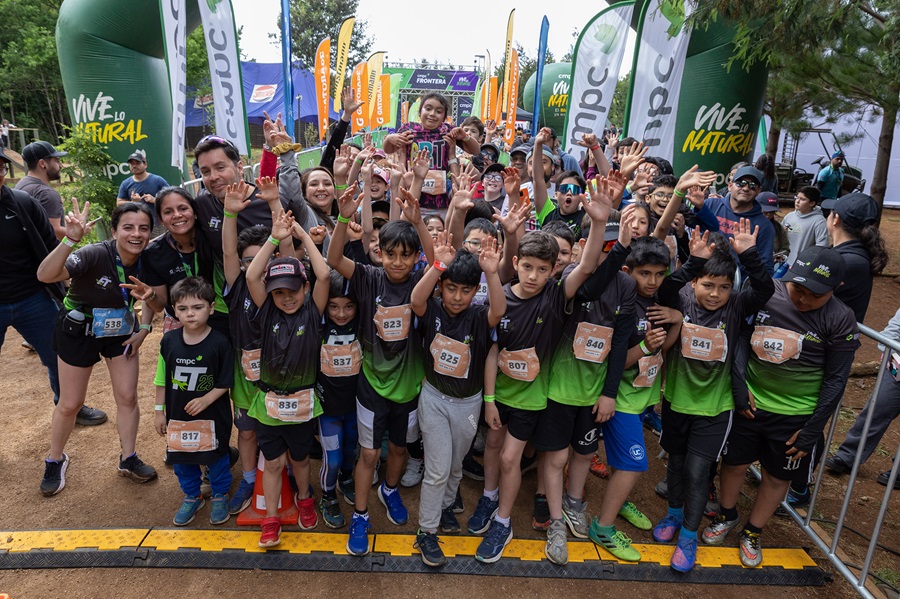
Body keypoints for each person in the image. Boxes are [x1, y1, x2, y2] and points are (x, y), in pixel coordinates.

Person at [472, 167, 615, 564]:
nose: (534, 276)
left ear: (554, 270)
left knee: (508, 458)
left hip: (534, 398)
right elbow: (491, 351)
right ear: (515, 263)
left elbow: (585, 267)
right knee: (494, 447)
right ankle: (487, 499)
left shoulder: (556, 296)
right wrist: (489, 399)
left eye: (543, 269)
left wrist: (600, 222)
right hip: (499, 393)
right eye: (527, 267)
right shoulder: (498, 298)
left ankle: (503, 521)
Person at [704, 247, 859, 567]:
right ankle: (727, 514)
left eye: (813, 296)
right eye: (797, 289)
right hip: (750, 403)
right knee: (733, 463)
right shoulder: (766, 293)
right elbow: (741, 338)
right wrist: (738, 385)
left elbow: (836, 379)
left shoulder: (840, 318)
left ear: (836, 290)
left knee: (777, 475)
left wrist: (812, 429)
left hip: (796, 415)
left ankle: (753, 531)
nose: (802, 300)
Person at [652, 220, 774, 572]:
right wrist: (691, 261)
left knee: (697, 470)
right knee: (675, 462)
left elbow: (764, 288)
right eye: (707, 284)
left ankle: (689, 535)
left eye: (722, 287)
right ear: (694, 282)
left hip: (715, 407)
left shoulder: (735, 306)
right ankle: (674, 514)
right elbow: (667, 288)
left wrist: (749, 254)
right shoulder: (683, 297)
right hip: (676, 399)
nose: (715, 294)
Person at [326, 183, 434, 557]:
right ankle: (359, 514)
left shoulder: (423, 281)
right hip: (371, 383)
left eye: (406, 255)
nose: (398, 262)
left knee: (400, 450)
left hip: (410, 387)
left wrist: (419, 223)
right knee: (369, 455)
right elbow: (335, 256)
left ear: (415, 257)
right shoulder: (369, 277)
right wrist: (342, 217)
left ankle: (389, 490)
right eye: (391, 255)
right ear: (381, 255)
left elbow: (439, 262)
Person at [38, 202, 159, 496]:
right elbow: (45, 274)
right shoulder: (94, 254)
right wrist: (70, 240)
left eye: (143, 228)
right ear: (114, 230)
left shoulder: (151, 258)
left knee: (127, 396)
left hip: (120, 331)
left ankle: (128, 458)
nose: (136, 234)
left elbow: (158, 301)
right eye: (128, 227)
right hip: (79, 330)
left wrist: (144, 329)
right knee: (70, 403)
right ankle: (55, 459)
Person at [409, 232, 505, 567]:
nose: (457, 296)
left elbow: (499, 309)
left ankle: (447, 503)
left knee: (453, 466)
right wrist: (438, 266)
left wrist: (491, 273)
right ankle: (426, 531)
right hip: (434, 399)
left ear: (475, 291)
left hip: (468, 405)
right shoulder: (432, 307)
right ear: (441, 287)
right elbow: (415, 299)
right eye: (451, 288)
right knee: (436, 469)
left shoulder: (479, 317)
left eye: (466, 290)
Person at [0, 148, 107, 426]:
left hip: (32, 298)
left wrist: (70, 279)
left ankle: (70, 405)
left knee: (58, 356)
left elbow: (50, 249)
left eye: (1, 168)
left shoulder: (22, 203)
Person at [244, 211, 331, 547]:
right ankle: (271, 518)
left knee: (299, 459)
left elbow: (323, 274)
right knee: (274, 462)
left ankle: (306, 499)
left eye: (293, 290)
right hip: (268, 405)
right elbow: (253, 275)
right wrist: (272, 237)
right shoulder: (267, 313)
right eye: (279, 292)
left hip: (303, 404)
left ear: (304, 288)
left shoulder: (312, 311)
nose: (287, 297)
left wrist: (300, 235)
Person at [153, 277, 234, 526]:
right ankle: (192, 495)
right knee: (181, 459)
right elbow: (161, 379)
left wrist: (206, 400)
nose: (190, 314)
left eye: (197, 307)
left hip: (213, 416)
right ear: (174, 311)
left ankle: (220, 494)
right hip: (178, 416)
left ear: (211, 307)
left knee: (217, 456)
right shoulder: (169, 341)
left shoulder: (220, 342)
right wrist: (159, 411)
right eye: (183, 308)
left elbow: (226, 380)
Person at [826, 306, 900, 489]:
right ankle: (847, 456)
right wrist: (893, 355)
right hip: (897, 370)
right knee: (876, 410)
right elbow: (889, 334)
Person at [315, 271, 362, 528]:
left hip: (355, 407)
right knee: (331, 458)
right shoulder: (319, 323)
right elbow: (319, 281)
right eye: (334, 306)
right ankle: (328, 495)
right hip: (328, 410)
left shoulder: (361, 323)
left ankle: (346, 479)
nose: (341, 314)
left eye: (348, 306)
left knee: (350, 450)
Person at [383, 92, 480, 211]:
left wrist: (465, 136)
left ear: (444, 118)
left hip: (439, 197)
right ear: (420, 112)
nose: (432, 114)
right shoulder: (408, 129)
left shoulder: (448, 131)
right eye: (428, 109)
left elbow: (475, 150)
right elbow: (388, 149)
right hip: (411, 189)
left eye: (439, 111)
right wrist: (389, 139)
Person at [692, 165, 776, 276]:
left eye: (752, 185)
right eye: (740, 183)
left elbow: (766, 268)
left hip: (735, 285)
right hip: (701, 276)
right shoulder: (709, 205)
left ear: (758, 191)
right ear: (730, 185)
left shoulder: (764, 225)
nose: (746, 188)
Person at [822, 192, 887, 323]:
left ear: (836, 219)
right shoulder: (854, 254)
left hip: (826, 336)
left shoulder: (846, 261)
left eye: (830, 212)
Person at [16, 141, 68, 240]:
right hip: (46, 254)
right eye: (56, 161)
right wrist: (79, 231)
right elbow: (54, 232)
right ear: (42, 163)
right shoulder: (47, 194)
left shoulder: (21, 185)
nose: (60, 165)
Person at [116, 150, 170, 227]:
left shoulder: (157, 180)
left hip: (157, 224)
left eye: (137, 163)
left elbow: (171, 198)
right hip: (137, 224)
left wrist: (155, 200)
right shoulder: (126, 183)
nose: (134, 166)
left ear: (145, 165)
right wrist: (132, 202)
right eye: (132, 164)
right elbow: (119, 203)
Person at [782, 186, 828, 266]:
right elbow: (778, 237)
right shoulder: (790, 216)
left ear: (812, 203)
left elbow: (821, 246)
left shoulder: (819, 221)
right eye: (797, 197)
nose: (797, 201)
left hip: (801, 265)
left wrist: (806, 263)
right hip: (784, 261)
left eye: (802, 199)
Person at [757, 192, 789, 261]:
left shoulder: (778, 227)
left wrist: (780, 256)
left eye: (772, 212)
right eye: (765, 211)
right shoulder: (745, 224)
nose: (768, 215)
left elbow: (785, 248)